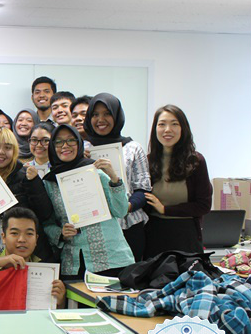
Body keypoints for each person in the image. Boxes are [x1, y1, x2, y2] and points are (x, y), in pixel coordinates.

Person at [42, 125, 134, 280]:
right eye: (59, 142)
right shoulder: (49, 183)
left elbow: (121, 210)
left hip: (111, 259)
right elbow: (46, 223)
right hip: (73, 263)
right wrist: (60, 233)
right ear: (52, 147)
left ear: (79, 143)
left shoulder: (96, 172)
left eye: (71, 140)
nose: (65, 146)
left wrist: (113, 178)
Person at [84, 92, 152, 261]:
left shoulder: (132, 148)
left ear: (117, 115)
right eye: (95, 114)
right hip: (94, 228)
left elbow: (143, 188)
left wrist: (125, 207)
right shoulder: (81, 149)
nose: (101, 119)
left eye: (107, 114)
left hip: (129, 226)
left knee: (128, 281)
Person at [0, 127, 55, 259]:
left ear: (14, 151)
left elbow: (45, 213)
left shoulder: (25, 175)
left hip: (31, 255)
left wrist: (34, 182)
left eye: (8, 148)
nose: (1, 152)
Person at [144, 105, 212, 258]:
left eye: (174, 124)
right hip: (154, 235)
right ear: (155, 129)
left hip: (186, 236)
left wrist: (165, 210)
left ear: (183, 128)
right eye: (162, 124)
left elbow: (203, 205)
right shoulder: (148, 161)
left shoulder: (196, 161)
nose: (167, 129)